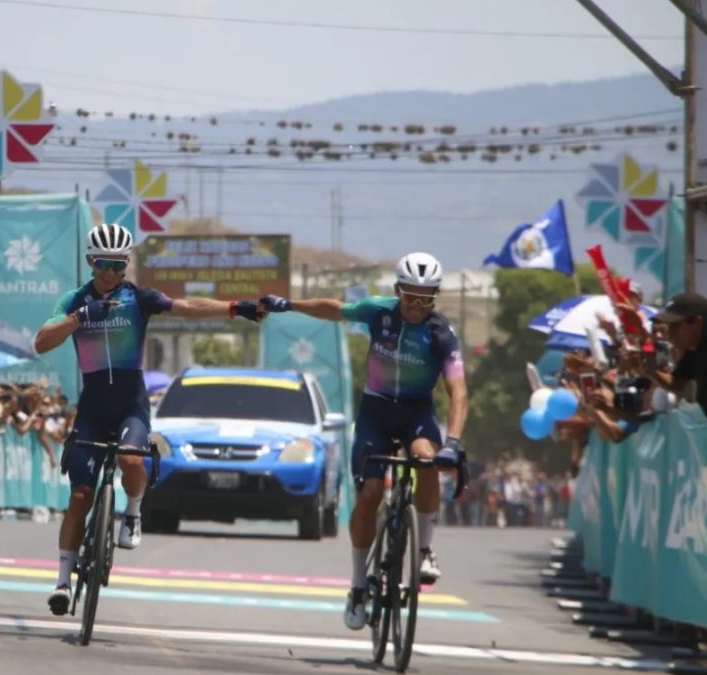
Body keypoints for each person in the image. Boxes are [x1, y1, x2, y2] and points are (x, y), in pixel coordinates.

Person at [35, 223, 262, 616]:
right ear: (91, 261)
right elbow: (41, 342)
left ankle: (134, 513)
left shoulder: (138, 299)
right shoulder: (73, 300)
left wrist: (232, 307)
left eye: (118, 265)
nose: (110, 272)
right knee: (79, 496)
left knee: (131, 459)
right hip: (92, 407)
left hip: (130, 405)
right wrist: (76, 319)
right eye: (104, 264)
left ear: (126, 265)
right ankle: (61, 581)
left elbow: (187, 307)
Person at [258, 251, 469, 631]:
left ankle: (425, 549)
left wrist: (452, 441)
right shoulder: (378, 312)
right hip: (375, 411)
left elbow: (458, 390)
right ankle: (358, 585)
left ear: (435, 296)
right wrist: (289, 304)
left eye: (425, 297)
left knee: (428, 460)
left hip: (416, 412)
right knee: (370, 493)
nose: (417, 305)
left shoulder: (442, 333)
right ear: (397, 291)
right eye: (410, 296)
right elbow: (333, 309)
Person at [649, 292, 707, 415]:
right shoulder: (693, 350)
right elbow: (678, 384)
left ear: (697, 322)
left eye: (675, 325)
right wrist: (648, 368)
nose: (670, 333)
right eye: (669, 326)